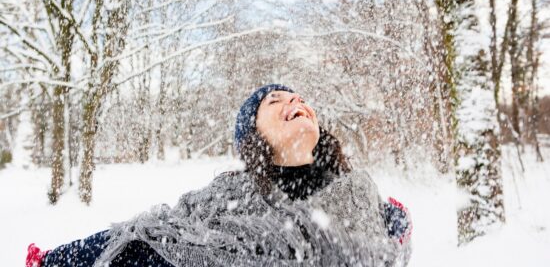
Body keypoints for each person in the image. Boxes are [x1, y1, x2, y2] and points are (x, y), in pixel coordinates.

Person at [27, 84, 412, 267]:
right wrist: (57, 261)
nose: (294, 101)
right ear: (254, 138)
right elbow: (146, 239)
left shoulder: (370, 203)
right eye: (274, 101)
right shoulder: (223, 207)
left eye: (298, 98)